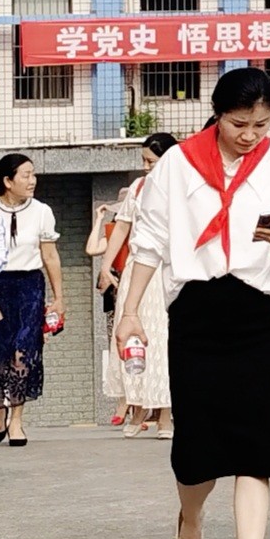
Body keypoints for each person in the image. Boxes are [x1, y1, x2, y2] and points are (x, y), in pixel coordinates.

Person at [112, 70, 270, 539]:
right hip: (196, 312)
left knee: (259, 446)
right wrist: (129, 312)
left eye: (261, 124)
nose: (250, 134)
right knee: (198, 450)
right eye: (239, 123)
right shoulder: (179, 164)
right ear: (217, 114)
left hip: (256, 309)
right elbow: (149, 242)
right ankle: (190, 517)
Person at [0, 153, 63, 446]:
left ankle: (17, 420)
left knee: (23, 352)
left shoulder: (42, 211)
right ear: (7, 181)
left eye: (33, 174)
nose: (32, 180)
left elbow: (50, 256)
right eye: (25, 175)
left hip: (28, 286)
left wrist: (58, 298)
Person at [92, 134, 176, 437]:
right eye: (143, 161)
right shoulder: (138, 188)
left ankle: (165, 415)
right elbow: (122, 227)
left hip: (165, 272)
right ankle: (137, 408)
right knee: (131, 340)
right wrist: (106, 265)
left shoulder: (181, 187)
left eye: (150, 161)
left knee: (162, 341)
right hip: (135, 272)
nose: (145, 167)